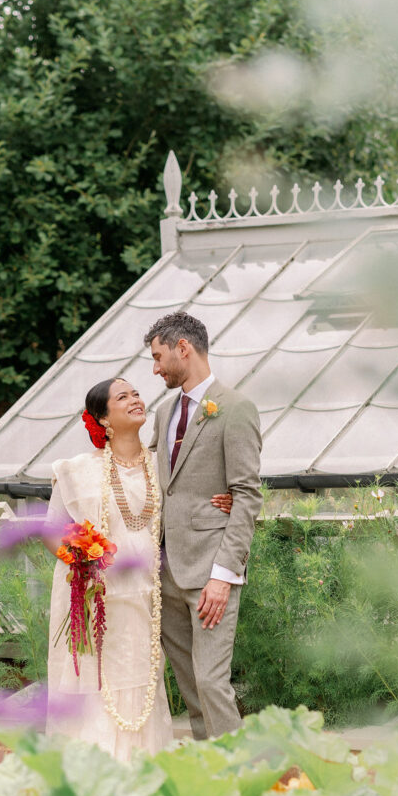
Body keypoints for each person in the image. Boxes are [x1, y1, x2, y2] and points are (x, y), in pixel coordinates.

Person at [44, 376, 232, 762]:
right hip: (95, 600)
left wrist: (224, 501)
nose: (135, 399)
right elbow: (51, 532)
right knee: (96, 687)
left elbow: (191, 499)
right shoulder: (75, 470)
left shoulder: (161, 466)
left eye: (136, 393)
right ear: (103, 418)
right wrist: (83, 560)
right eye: (122, 396)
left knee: (140, 685)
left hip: (146, 600)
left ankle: (139, 772)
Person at [145, 312, 262, 740]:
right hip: (165, 572)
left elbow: (247, 493)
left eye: (158, 357)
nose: (155, 369)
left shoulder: (236, 408)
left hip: (210, 572)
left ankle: (242, 768)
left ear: (183, 348)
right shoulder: (163, 413)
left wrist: (223, 576)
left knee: (212, 682)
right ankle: (210, 768)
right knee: (191, 686)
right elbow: (155, 480)